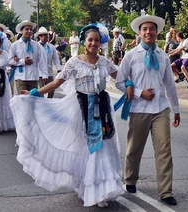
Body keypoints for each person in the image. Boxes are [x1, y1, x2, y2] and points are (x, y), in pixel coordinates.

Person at [10, 23, 134, 208]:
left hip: (102, 109)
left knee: (102, 146)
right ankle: (87, 185)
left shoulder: (105, 62)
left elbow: (121, 77)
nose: (93, 43)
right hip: (81, 108)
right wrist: (35, 93)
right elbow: (56, 82)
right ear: (84, 42)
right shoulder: (74, 62)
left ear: (100, 43)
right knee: (85, 147)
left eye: (96, 40)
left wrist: (131, 84)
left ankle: (101, 189)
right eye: (90, 40)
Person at [115, 14, 180, 206]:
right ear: (139, 33)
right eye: (145, 29)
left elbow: (169, 85)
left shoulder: (163, 56)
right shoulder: (131, 56)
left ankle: (166, 191)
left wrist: (176, 109)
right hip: (139, 108)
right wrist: (138, 92)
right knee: (134, 149)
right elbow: (119, 81)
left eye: (152, 28)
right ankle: (130, 179)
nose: (148, 32)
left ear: (156, 32)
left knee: (164, 150)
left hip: (160, 109)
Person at [8, 20, 48, 94]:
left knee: (33, 100)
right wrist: (22, 61)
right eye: (26, 29)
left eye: (30, 29)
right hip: (21, 77)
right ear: (21, 31)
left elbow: (41, 60)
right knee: (23, 100)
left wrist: (44, 74)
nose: (29, 31)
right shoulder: (15, 45)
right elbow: (9, 60)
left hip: (33, 77)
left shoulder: (36, 45)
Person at [35, 26, 62, 98]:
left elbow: (55, 58)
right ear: (39, 37)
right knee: (41, 91)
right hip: (39, 73)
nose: (46, 37)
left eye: (47, 35)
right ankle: (41, 105)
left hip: (49, 72)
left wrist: (58, 68)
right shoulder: (36, 46)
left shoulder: (51, 47)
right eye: (44, 35)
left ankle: (49, 103)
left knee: (51, 90)